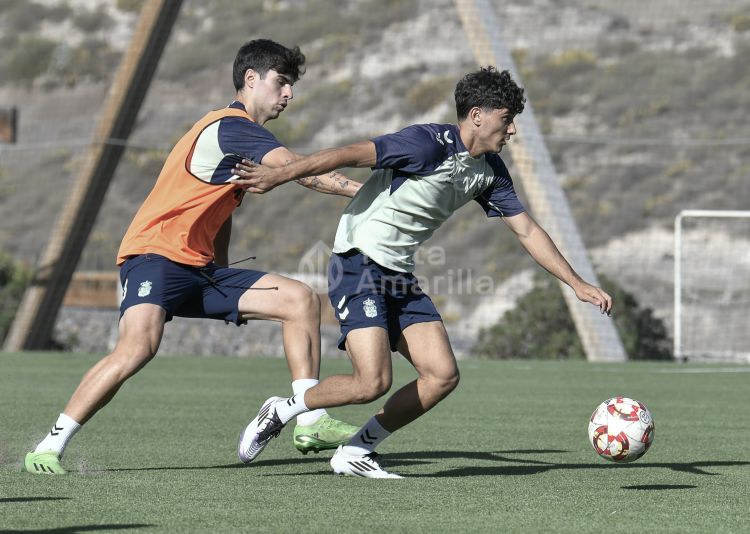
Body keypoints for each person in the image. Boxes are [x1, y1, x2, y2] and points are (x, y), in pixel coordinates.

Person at [232, 66, 613, 478]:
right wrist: (278, 174)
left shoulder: (490, 171)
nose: (513, 130)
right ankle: (285, 408)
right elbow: (346, 154)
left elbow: (526, 229)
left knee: (442, 375)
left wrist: (576, 283)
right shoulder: (425, 144)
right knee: (371, 382)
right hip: (358, 261)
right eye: (507, 119)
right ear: (478, 116)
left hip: (398, 274)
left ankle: (357, 450)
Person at [23, 39, 362, 475]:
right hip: (155, 256)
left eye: (291, 86)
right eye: (282, 83)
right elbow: (299, 171)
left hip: (199, 269)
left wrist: (219, 265)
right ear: (251, 79)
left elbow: (220, 210)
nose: (288, 94)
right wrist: (368, 192)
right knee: (137, 349)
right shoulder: (231, 126)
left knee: (299, 299)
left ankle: (310, 420)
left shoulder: (239, 142)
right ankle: (49, 446)